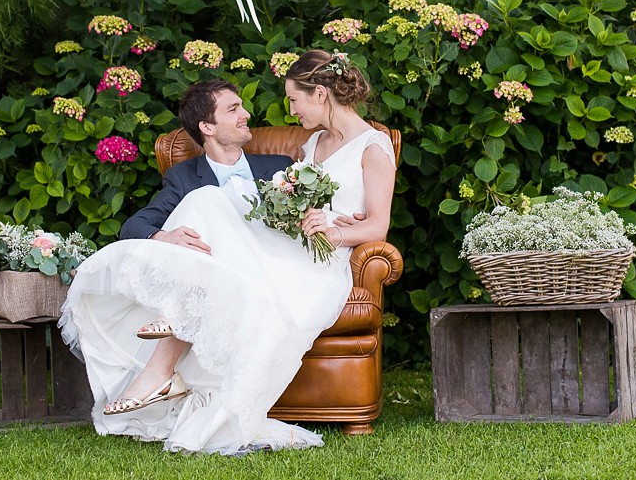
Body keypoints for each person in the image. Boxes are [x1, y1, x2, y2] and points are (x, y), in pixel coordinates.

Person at [59, 52, 396, 454]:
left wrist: (336, 228)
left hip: (319, 260)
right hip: (286, 245)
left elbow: (377, 226)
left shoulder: (374, 146)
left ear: (320, 94)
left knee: (210, 204)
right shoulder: (312, 144)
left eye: (293, 100)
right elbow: (297, 205)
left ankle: (165, 353)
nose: (290, 110)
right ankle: (167, 350)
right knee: (207, 201)